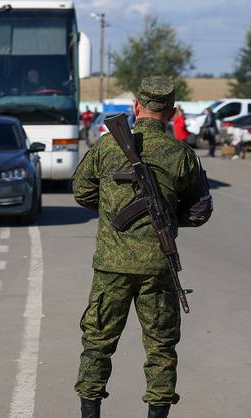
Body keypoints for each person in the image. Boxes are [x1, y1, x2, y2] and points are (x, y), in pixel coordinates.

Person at [72, 76, 213, 418]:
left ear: (137, 107)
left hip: (112, 266)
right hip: (158, 268)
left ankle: (90, 412)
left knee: (97, 344)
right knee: (161, 348)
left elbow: (81, 191)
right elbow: (199, 211)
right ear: (173, 111)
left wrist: (112, 212)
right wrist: (169, 215)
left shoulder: (107, 147)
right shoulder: (181, 154)